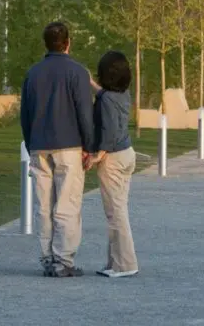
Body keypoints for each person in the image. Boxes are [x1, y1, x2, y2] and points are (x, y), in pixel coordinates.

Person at [20, 22, 95, 278]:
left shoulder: (33, 73)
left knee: (43, 204)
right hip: (69, 145)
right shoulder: (77, 72)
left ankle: (47, 258)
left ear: (46, 43)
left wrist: (31, 144)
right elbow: (85, 113)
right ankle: (64, 259)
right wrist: (90, 146)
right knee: (67, 203)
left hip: (39, 145)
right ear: (68, 42)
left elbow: (25, 114)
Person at [85, 51, 139, 278]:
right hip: (127, 154)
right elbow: (105, 96)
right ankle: (115, 261)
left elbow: (108, 130)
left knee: (115, 213)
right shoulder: (122, 94)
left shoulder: (106, 100)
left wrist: (97, 156)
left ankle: (126, 264)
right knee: (119, 209)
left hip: (113, 159)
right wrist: (90, 84)